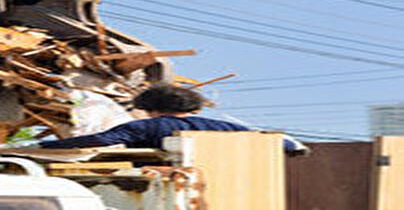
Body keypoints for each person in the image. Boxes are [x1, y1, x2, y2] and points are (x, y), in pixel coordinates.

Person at [40, 83, 306, 154]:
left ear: (149, 108)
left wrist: (41, 147)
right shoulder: (227, 128)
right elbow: (277, 142)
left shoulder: (147, 126)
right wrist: (292, 147)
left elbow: (100, 139)